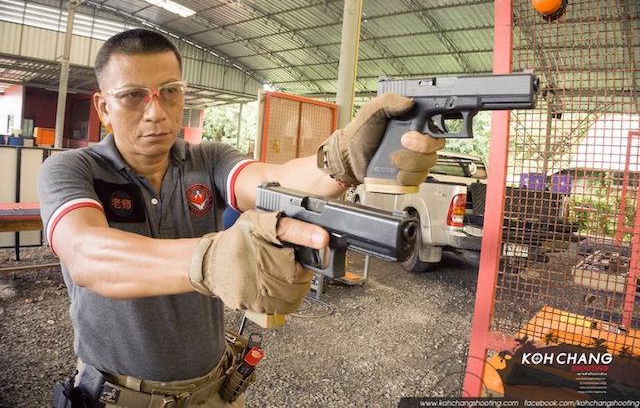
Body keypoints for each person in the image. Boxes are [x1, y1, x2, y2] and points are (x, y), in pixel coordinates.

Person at [38, 28, 444, 407]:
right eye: (132, 96)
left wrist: (342, 159)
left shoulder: (207, 159)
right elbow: (88, 254)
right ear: (103, 106)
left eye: (170, 92)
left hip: (216, 390)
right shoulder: (73, 169)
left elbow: (275, 182)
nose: (155, 112)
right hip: (120, 397)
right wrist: (213, 259)